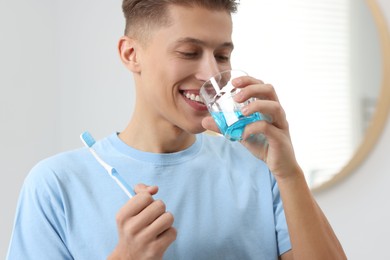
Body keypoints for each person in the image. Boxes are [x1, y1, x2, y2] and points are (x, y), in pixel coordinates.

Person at [7, 0, 347, 259]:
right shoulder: (56, 185)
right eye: (189, 52)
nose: (210, 74)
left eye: (222, 55)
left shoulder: (262, 170)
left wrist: (289, 175)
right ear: (130, 54)